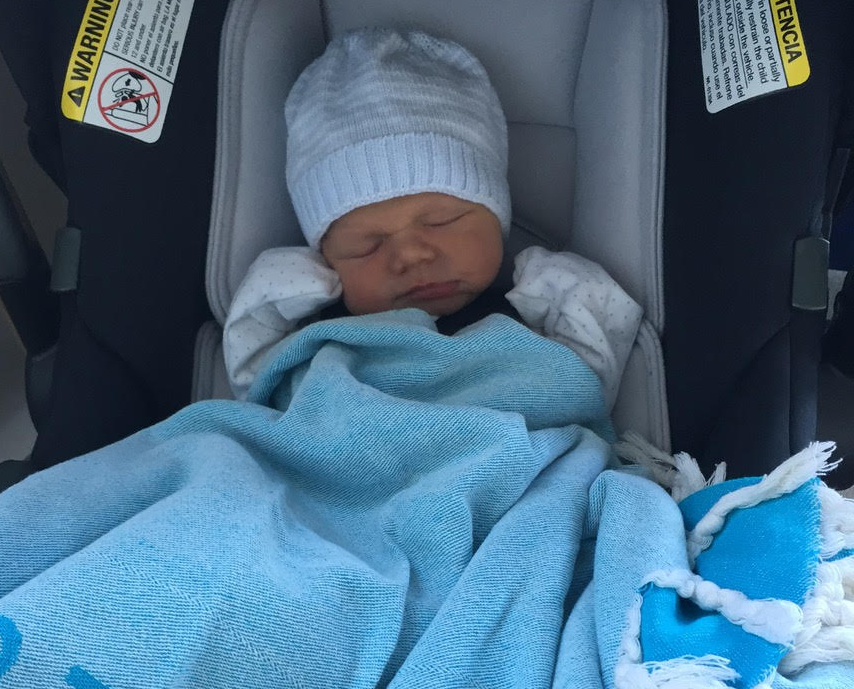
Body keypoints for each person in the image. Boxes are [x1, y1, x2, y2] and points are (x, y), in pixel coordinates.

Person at [223, 26, 642, 409]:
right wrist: (282, 289)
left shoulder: (526, 330)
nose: (410, 256)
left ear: (496, 215)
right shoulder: (321, 341)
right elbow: (256, 386)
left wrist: (562, 282)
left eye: (442, 220)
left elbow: (589, 375)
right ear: (324, 263)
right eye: (366, 245)